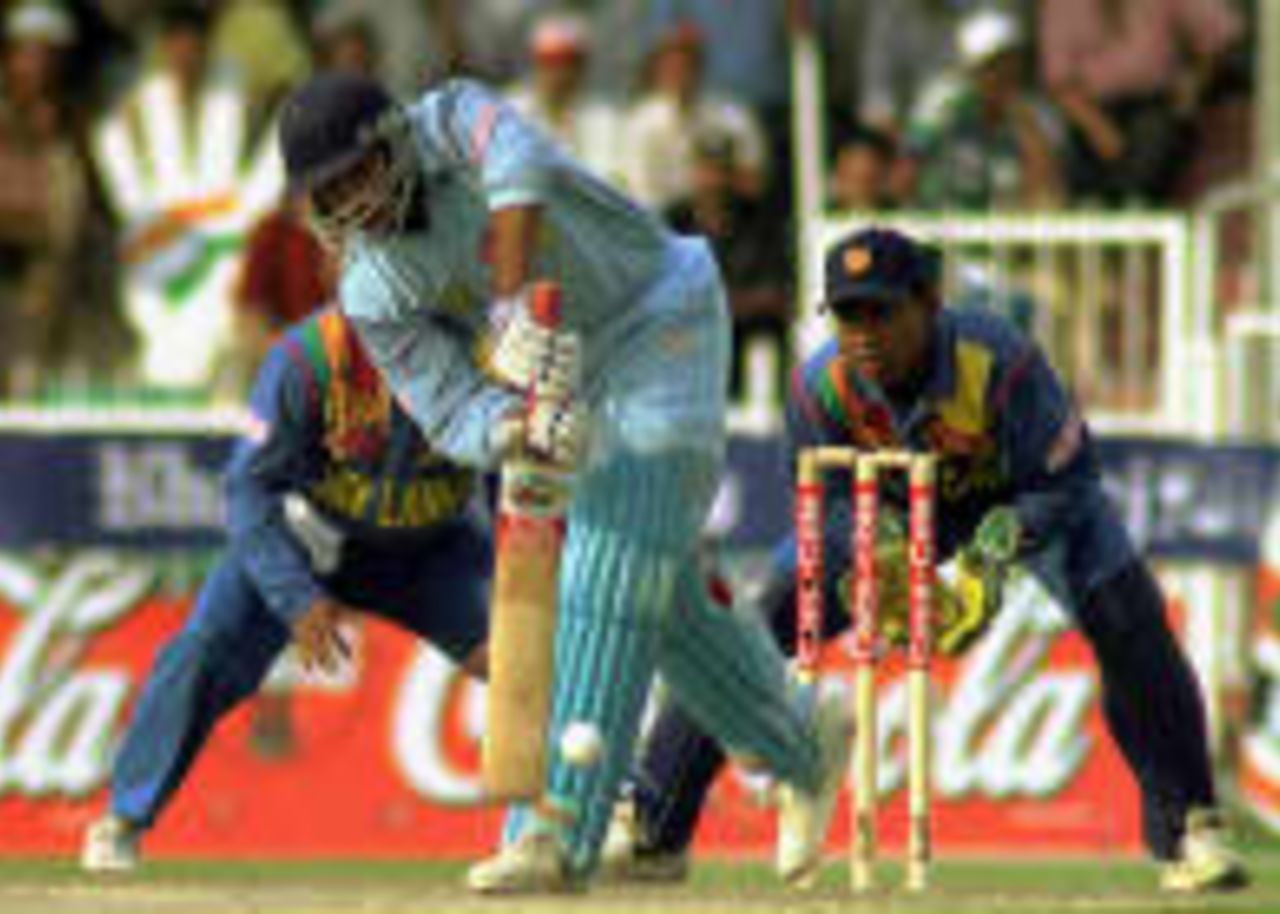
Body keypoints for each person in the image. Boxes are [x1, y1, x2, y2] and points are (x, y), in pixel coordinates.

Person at [273, 71, 852, 894]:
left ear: (390, 141)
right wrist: (520, 430)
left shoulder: (454, 118)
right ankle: (804, 737)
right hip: (565, 378)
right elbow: (449, 411)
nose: (347, 199)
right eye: (325, 189)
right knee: (664, 598)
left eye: (353, 172)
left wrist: (507, 311)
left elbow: (519, 168)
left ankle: (553, 829)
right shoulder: (370, 287)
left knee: (606, 566)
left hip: (660, 315)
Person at [605, 226, 1250, 895]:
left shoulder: (1000, 361)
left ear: (928, 302)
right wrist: (873, 555)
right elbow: (821, 502)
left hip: (1015, 502)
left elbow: (1066, 481)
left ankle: (1190, 827)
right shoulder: (817, 388)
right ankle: (653, 826)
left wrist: (987, 559)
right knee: (754, 616)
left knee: (1128, 616)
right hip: (883, 511)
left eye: (881, 311)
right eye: (848, 314)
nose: (863, 334)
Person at [80, 307, 491, 872]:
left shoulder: (486, 351)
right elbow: (247, 487)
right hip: (310, 536)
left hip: (431, 547)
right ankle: (122, 819)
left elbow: (516, 483)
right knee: (203, 650)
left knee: (524, 659)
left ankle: (577, 819)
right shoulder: (306, 359)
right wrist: (295, 596)